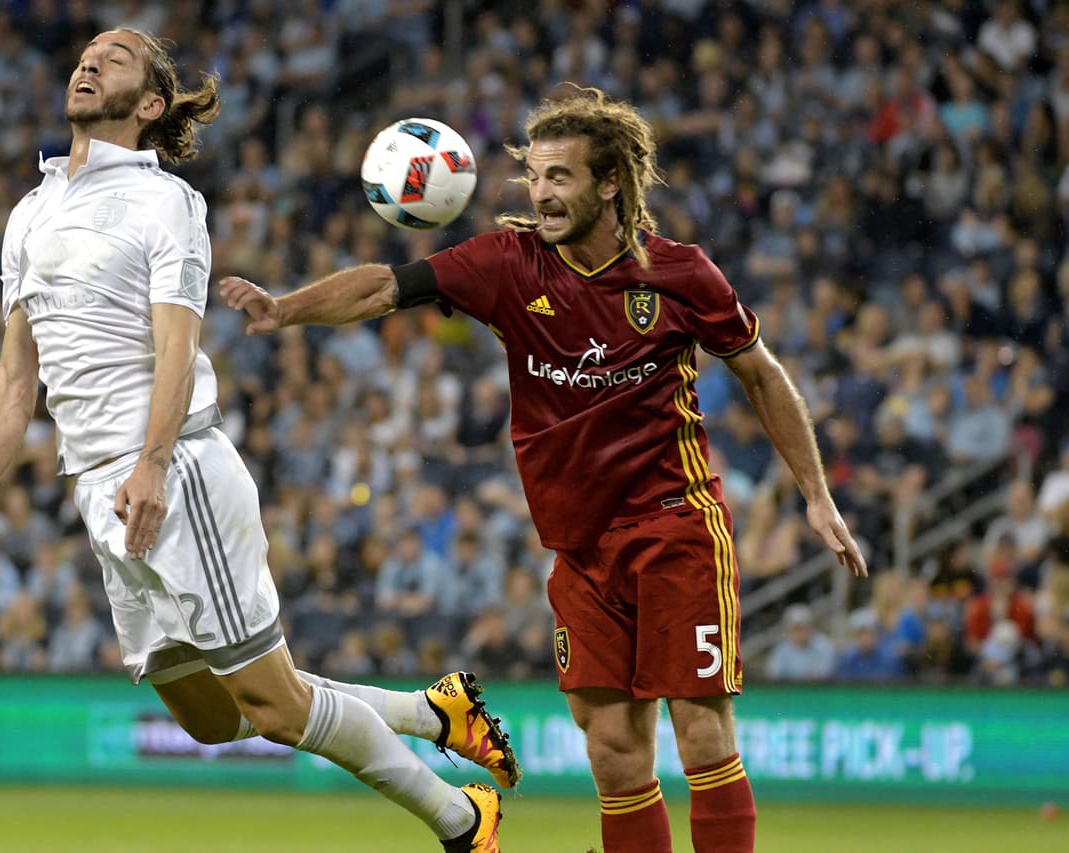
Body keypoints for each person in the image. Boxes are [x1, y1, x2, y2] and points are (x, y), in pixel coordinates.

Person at [220, 86, 868, 853]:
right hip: (579, 550)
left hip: (675, 524)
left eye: (561, 177)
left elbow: (761, 373)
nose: (542, 193)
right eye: (537, 176)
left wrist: (816, 496)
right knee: (613, 748)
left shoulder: (681, 275)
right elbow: (388, 286)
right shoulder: (507, 264)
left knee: (700, 732)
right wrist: (285, 308)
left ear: (609, 184)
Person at [0, 29, 515, 853]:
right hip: (98, 488)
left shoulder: (163, 202)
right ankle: (431, 711)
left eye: (118, 58)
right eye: (89, 50)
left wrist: (154, 464)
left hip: (176, 477)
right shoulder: (30, 213)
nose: (90, 60)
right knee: (212, 715)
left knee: (273, 707)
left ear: (149, 106)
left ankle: (462, 820)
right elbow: (14, 379)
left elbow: (178, 344)